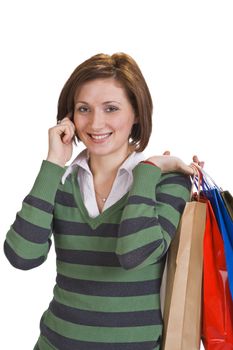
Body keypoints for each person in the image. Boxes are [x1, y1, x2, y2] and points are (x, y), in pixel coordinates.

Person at [4, 52, 203, 350]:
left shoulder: (168, 183)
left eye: (111, 108)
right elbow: (22, 256)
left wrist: (148, 171)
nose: (96, 123)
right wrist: (53, 164)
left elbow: (134, 254)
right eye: (84, 109)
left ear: (136, 113)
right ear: (69, 117)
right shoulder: (60, 183)